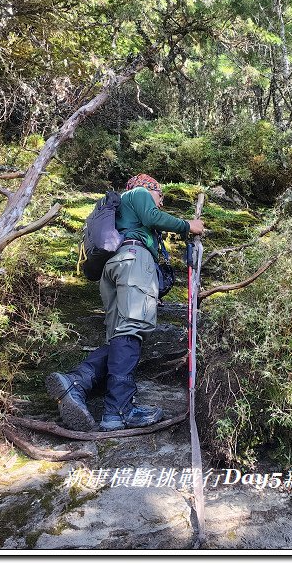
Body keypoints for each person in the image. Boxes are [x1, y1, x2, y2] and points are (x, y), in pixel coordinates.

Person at [45, 174, 205, 431]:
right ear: (149, 187)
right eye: (160, 196)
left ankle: (77, 382)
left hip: (114, 267)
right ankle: (119, 411)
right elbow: (154, 216)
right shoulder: (139, 193)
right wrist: (188, 225)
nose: (160, 203)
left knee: (119, 338)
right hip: (133, 259)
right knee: (131, 331)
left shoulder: (124, 211)